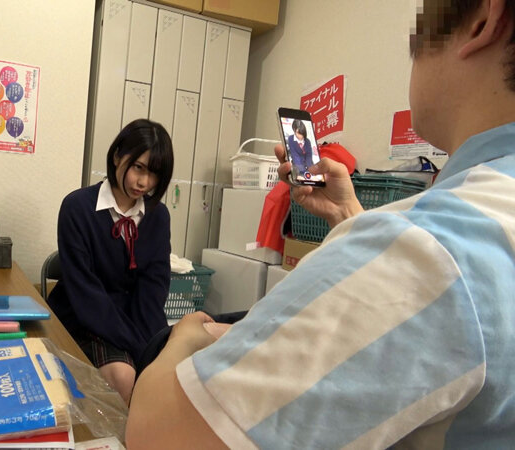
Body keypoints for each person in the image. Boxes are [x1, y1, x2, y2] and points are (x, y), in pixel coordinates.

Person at [126, 0, 515, 448]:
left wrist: (183, 337)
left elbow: (160, 435)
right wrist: (350, 218)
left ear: (483, 20)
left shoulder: (431, 252)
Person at [47, 118, 174, 404]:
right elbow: (86, 294)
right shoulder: (77, 207)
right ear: (117, 156)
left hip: (134, 322)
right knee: (124, 376)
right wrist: (138, 348)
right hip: (85, 317)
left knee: (171, 374)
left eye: (154, 174)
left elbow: (153, 289)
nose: (144, 183)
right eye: (138, 167)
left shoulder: (158, 216)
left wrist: (152, 348)